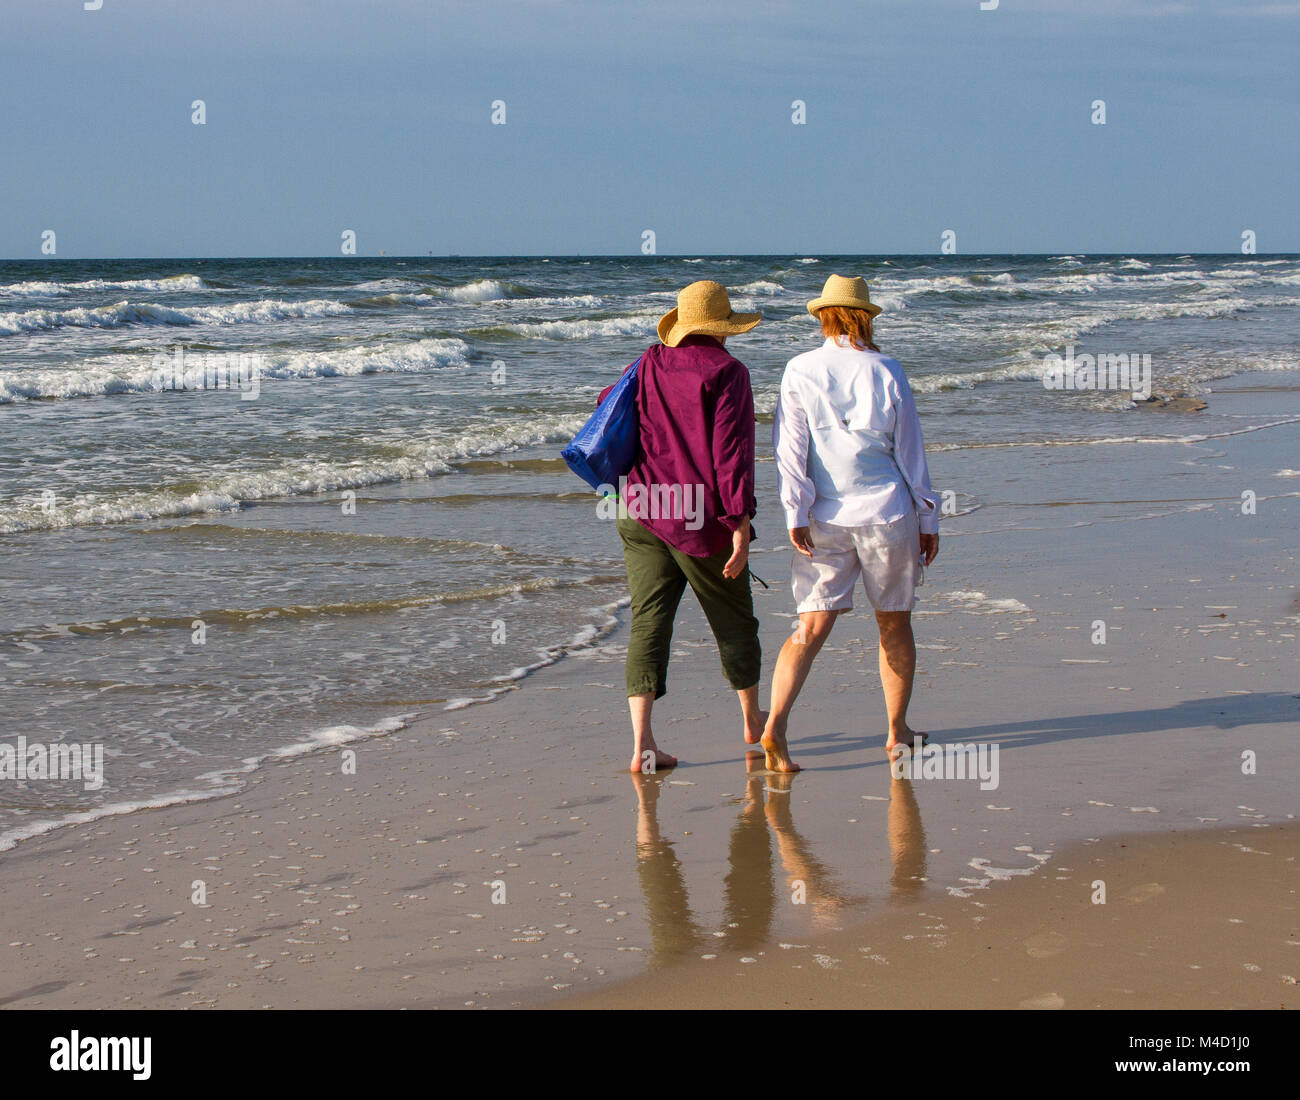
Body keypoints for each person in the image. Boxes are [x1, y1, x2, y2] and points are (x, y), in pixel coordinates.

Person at [762, 274, 941, 773]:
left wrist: (794, 511)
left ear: (823, 315)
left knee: (810, 625)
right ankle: (896, 731)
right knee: (894, 623)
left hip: (823, 515)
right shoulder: (887, 369)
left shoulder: (799, 369)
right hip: (886, 512)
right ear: (864, 315)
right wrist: (929, 516)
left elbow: (789, 451)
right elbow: (910, 454)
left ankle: (775, 724)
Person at [596, 280, 766, 773]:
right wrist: (740, 520)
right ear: (723, 329)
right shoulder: (728, 372)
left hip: (641, 508)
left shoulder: (646, 362)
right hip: (697, 519)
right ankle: (752, 718)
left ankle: (643, 744)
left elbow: (608, 403)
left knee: (649, 622)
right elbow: (730, 454)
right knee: (733, 620)